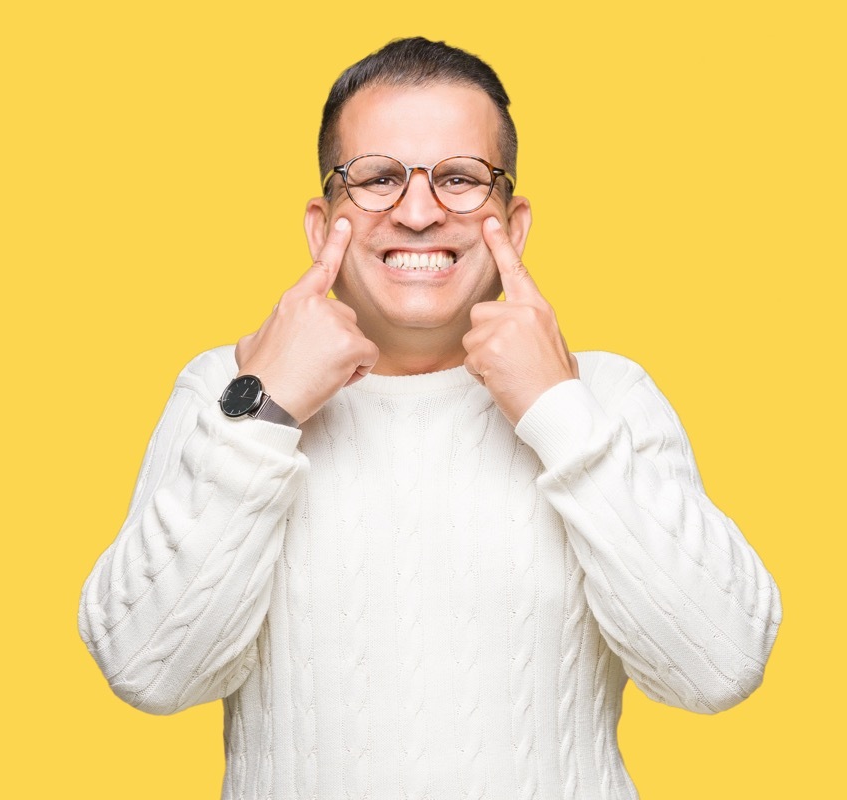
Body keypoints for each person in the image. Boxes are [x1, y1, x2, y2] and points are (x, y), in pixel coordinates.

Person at [78, 37, 781, 799]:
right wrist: (268, 410)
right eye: (377, 178)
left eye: (460, 179)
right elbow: (148, 669)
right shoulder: (228, 388)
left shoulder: (606, 396)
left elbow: (721, 667)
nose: (418, 213)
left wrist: (558, 413)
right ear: (322, 226)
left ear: (511, 225)